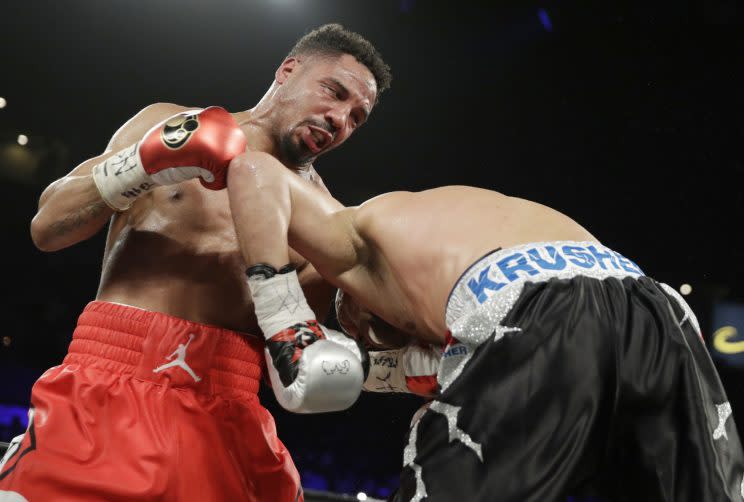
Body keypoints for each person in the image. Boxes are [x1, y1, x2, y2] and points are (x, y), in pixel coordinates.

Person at [0, 24, 390, 502]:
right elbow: (48, 227)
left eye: (357, 117)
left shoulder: (325, 220)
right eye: (334, 92)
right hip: (106, 384)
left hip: (228, 416)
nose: (339, 119)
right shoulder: (171, 122)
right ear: (287, 71)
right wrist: (144, 164)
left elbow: (289, 364)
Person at [225, 150, 744, 502]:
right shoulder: (445, 249)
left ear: (354, 304)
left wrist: (285, 320)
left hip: (542, 308)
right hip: (656, 311)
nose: (396, 343)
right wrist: (370, 367)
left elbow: (254, 170)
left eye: (375, 335)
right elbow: (435, 366)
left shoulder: (356, 235)